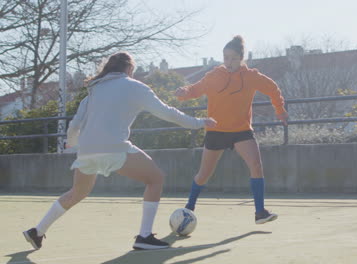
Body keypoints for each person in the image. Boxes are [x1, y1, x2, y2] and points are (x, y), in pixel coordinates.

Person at [22, 51, 216, 250]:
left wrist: (72, 145)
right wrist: (198, 123)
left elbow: (74, 126)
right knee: (155, 178)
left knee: (76, 193)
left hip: (86, 151)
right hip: (114, 147)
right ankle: (144, 236)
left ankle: (37, 231)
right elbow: (167, 112)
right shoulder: (135, 87)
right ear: (130, 68)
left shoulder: (93, 91)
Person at [175, 35, 288, 224]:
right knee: (203, 175)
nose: (229, 62)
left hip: (241, 131)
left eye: (233, 58)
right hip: (216, 131)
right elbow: (195, 89)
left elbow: (272, 88)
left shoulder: (251, 77)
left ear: (241, 58)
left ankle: (260, 212)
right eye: (225, 57)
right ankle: (189, 208)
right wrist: (183, 93)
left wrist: (280, 109)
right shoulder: (214, 75)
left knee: (256, 165)